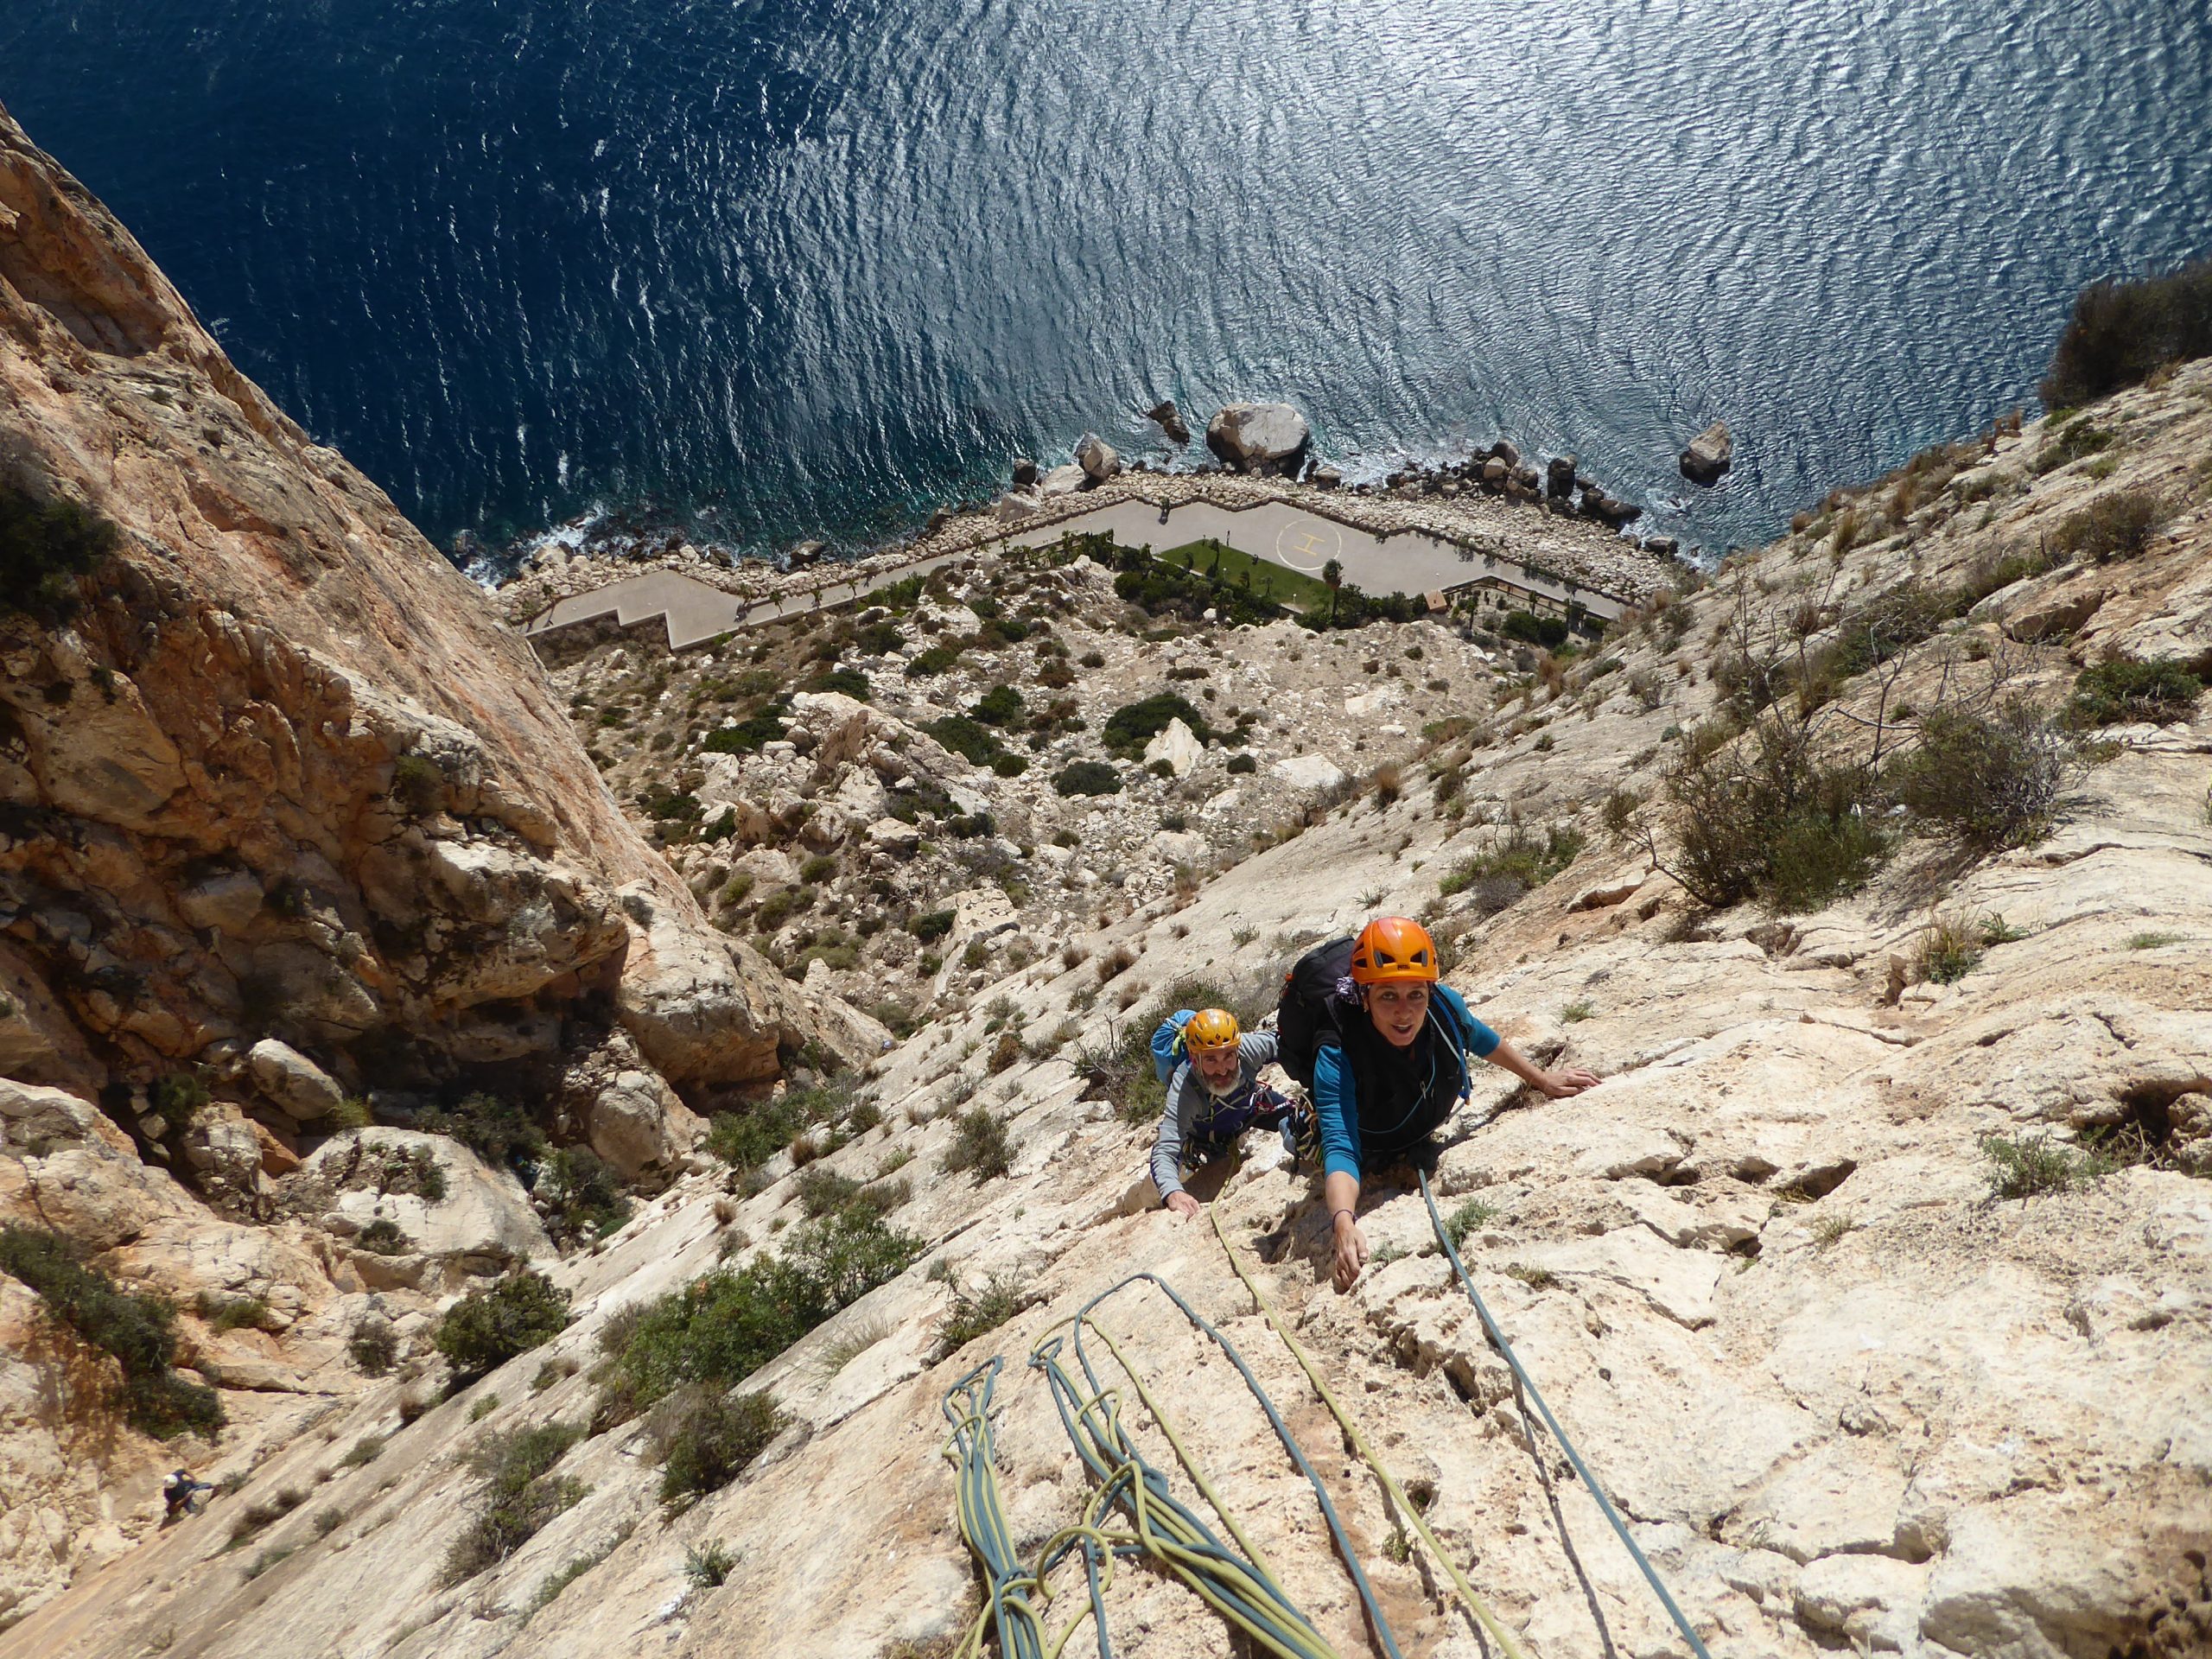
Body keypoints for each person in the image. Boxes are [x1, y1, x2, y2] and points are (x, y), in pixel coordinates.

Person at [1277, 917, 1599, 1291]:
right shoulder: (1337, 1047)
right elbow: (1341, 1145)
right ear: (1364, 998)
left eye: (1416, 994)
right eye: (1388, 996)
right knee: (1307, 1138)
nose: (1405, 1011)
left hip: (1412, 1117)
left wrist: (1541, 1080)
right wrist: (1344, 1223)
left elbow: (1481, 1038)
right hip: (1369, 1139)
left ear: (1430, 990)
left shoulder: (1443, 1008)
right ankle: (1293, 1125)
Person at [1147, 1008, 1306, 1219]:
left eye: (1228, 1057)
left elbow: (1291, 1045)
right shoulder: (1185, 1087)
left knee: (1299, 1119)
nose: (1222, 1070)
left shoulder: (1248, 1048)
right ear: (1195, 1060)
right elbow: (1165, 1150)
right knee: (1219, 1162)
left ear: (1237, 1051)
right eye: (1211, 1060)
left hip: (1250, 1108)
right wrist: (1173, 1192)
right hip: (1207, 1137)